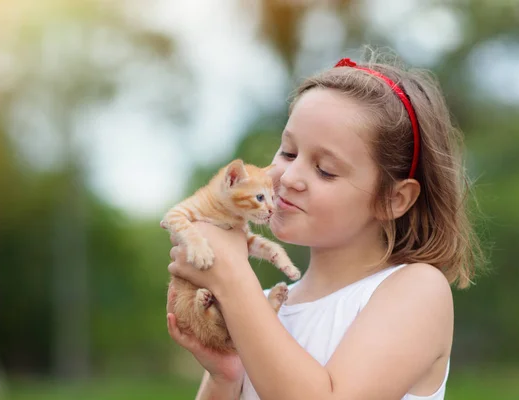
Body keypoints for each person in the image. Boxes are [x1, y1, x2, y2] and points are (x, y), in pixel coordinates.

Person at [165, 50, 484, 400]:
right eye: (287, 152)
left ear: (393, 199)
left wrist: (232, 277)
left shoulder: (416, 290)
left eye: (325, 170)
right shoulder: (264, 304)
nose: (289, 177)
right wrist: (226, 376)